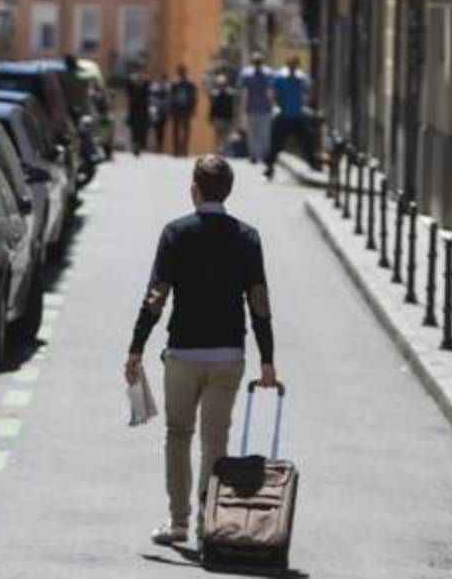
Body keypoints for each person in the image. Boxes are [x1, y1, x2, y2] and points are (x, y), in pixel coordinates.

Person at [123, 155, 278, 545]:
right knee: (216, 439)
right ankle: (208, 525)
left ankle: (178, 522)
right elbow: (259, 302)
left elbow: (156, 296)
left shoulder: (176, 233)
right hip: (228, 354)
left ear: (194, 189)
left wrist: (136, 347)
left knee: (178, 433)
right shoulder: (248, 237)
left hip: (183, 354)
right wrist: (268, 360)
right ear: (228, 191)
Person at [264, 56, 315, 179]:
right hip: (283, 115)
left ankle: (313, 164)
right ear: (287, 65)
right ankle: (269, 167)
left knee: (307, 140)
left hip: (298, 116)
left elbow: (310, 91)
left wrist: (306, 103)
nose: (293, 67)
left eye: (295, 64)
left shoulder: (302, 78)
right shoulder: (279, 77)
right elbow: (271, 92)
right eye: (291, 64)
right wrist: (275, 105)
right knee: (276, 143)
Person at [239, 52, 276, 165]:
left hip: (265, 108)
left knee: (264, 133)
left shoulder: (269, 73)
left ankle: (264, 154)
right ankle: (254, 155)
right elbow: (242, 90)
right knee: (253, 133)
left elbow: (272, 90)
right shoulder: (247, 74)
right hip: (252, 108)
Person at [168, 65, 199, 157]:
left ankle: (184, 150)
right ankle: (176, 150)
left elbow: (193, 98)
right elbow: (171, 98)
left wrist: (193, 109)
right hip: (177, 110)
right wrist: (171, 109)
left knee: (185, 131)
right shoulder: (175, 84)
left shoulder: (190, 84)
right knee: (176, 130)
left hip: (186, 110)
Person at [125, 67, 152, 156]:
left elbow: (148, 94)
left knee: (142, 130)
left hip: (143, 110)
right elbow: (128, 92)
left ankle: (139, 145)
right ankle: (135, 145)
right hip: (134, 110)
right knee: (134, 129)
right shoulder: (132, 83)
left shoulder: (146, 83)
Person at [208, 73, 237, 154]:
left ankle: (223, 150)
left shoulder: (229, 93)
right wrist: (211, 117)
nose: (221, 85)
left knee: (225, 135)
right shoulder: (215, 94)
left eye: (222, 84)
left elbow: (231, 107)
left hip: (226, 117)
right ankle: (218, 150)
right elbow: (212, 107)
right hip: (218, 117)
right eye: (220, 84)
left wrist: (232, 117)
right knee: (218, 134)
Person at [150, 74, 172, 153]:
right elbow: (152, 98)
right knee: (157, 129)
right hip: (157, 110)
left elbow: (169, 100)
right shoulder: (156, 87)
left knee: (161, 129)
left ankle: (160, 146)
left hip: (163, 111)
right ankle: (157, 145)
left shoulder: (167, 88)